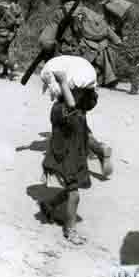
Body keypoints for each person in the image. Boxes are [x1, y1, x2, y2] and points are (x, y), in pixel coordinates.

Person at [40, 68, 99, 245]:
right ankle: (70, 230)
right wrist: (63, 82)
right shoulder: (59, 110)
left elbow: (86, 104)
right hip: (63, 156)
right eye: (79, 93)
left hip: (75, 156)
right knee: (74, 195)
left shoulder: (79, 109)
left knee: (72, 189)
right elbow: (71, 109)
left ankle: (49, 205)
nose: (83, 97)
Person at [39, 0, 122, 88]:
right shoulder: (89, 13)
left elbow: (45, 42)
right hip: (89, 60)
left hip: (65, 59)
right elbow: (110, 33)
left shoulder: (58, 14)